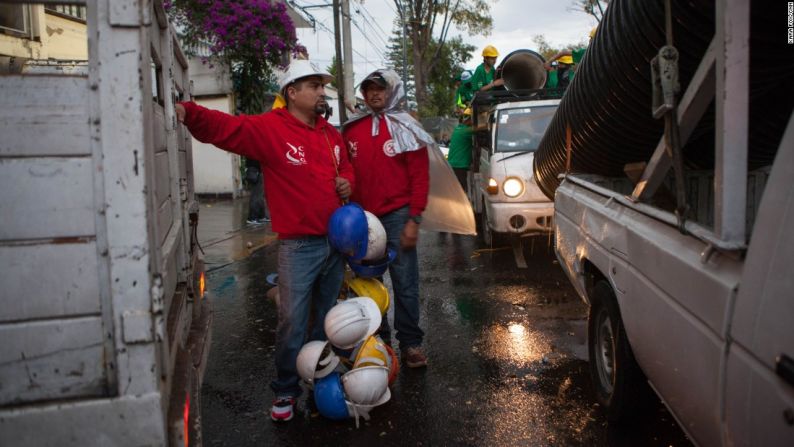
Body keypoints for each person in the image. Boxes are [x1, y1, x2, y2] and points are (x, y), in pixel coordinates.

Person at [175, 59, 355, 422]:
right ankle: (286, 390)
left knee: (326, 319)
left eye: (323, 86)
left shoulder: (330, 134)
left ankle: (320, 381)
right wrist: (188, 112)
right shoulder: (271, 128)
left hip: (336, 244)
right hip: (298, 247)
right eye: (314, 85)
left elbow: (347, 167)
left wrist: (348, 182)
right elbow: (226, 127)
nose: (322, 92)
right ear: (292, 92)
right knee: (291, 322)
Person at [342, 69, 432, 368]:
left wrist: (414, 219)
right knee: (368, 283)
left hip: (397, 214)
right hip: (362, 219)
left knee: (405, 281)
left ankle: (411, 344)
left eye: (379, 89)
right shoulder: (352, 129)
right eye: (368, 90)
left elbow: (420, 177)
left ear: (391, 90)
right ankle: (377, 342)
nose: (373, 94)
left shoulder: (406, 127)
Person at [447, 108, 474, 192]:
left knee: (457, 189)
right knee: (461, 191)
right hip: (459, 166)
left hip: (453, 165)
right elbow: (481, 129)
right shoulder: (466, 131)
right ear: (469, 119)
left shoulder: (458, 129)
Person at [244, 157, 270, 224]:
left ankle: (261, 216)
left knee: (260, 196)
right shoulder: (253, 150)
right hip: (256, 172)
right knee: (256, 196)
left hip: (258, 171)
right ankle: (252, 218)